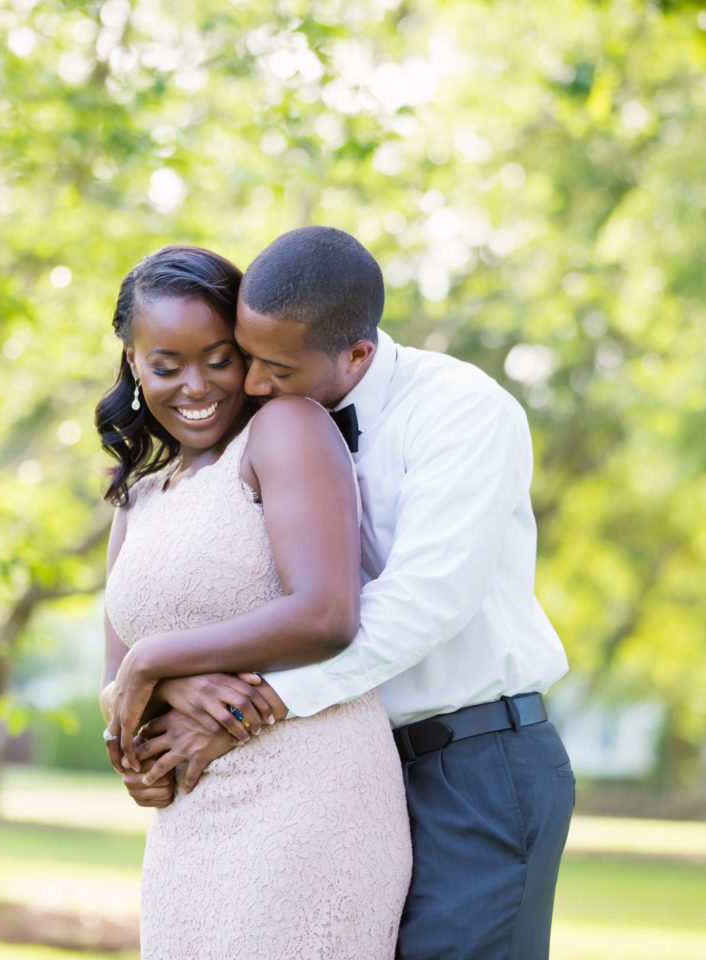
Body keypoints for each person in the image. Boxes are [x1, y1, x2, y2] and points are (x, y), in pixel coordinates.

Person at [120, 226, 574, 960]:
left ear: (357, 354)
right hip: (357, 765)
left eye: (273, 368)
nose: (254, 386)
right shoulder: (281, 429)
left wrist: (251, 706)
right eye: (248, 359)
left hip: (475, 760)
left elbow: (423, 603)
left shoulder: (463, 410)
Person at [95, 244, 411, 959]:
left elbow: (327, 613)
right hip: (191, 819)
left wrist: (156, 660)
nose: (196, 385)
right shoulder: (137, 501)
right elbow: (117, 687)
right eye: (167, 365)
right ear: (133, 364)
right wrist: (153, 704)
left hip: (307, 798)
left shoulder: (286, 429)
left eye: (220, 357)